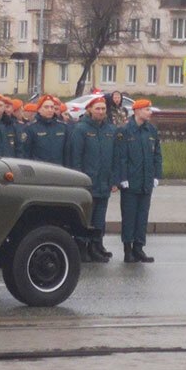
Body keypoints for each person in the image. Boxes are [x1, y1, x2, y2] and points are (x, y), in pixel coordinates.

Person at [67, 94, 117, 263]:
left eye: (103, 109)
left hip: (104, 181)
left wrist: (113, 179)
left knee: (99, 219)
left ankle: (96, 246)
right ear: (89, 110)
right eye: (97, 108)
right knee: (86, 218)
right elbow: (76, 156)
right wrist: (79, 180)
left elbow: (113, 157)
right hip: (88, 182)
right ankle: (82, 247)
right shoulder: (81, 129)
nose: (101, 111)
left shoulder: (110, 130)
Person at [114, 99, 162, 263]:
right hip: (131, 181)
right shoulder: (125, 131)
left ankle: (139, 248)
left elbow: (157, 155)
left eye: (150, 109)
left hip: (146, 181)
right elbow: (121, 157)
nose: (150, 112)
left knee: (142, 217)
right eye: (147, 109)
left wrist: (156, 175)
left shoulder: (151, 130)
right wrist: (123, 178)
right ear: (137, 111)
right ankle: (128, 250)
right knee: (129, 217)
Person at [20, 95, 68, 164]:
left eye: (52, 107)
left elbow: (67, 152)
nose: (50, 110)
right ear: (39, 109)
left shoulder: (62, 127)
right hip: (40, 169)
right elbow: (25, 153)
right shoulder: (30, 128)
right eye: (46, 107)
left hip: (59, 169)